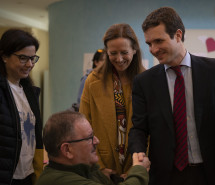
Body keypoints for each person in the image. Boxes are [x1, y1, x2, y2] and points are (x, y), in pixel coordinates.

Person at [128, 7, 215, 185]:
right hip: (165, 176)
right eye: (149, 44)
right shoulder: (144, 82)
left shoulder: (212, 70)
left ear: (178, 35)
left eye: (159, 41)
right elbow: (138, 127)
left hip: (208, 174)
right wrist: (138, 152)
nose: (153, 49)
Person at [79, 23, 145, 179]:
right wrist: (98, 167)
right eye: (113, 53)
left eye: (124, 52)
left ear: (134, 50)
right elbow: (83, 127)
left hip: (137, 166)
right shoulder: (92, 81)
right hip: (102, 168)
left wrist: (138, 168)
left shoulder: (147, 80)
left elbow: (153, 130)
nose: (119, 58)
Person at [36, 111, 150, 185]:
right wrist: (139, 169)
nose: (96, 141)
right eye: (89, 138)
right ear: (67, 150)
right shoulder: (58, 181)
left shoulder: (84, 170)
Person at [0, 29, 43, 185]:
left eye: (33, 58)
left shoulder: (30, 92)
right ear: (4, 56)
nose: (30, 64)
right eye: (23, 58)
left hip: (27, 175)